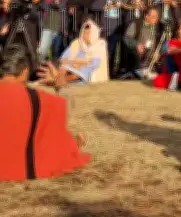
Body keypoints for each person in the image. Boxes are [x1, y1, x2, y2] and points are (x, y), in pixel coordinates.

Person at [0, 45, 91, 181]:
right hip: (24, 168)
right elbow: (63, 113)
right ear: (25, 71)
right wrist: (59, 84)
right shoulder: (40, 99)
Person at [58, 20, 109, 84]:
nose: (85, 35)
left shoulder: (100, 45)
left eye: (88, 33)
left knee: (83, 70)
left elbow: (94, 63)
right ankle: (58, 80)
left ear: (94, 33)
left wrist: (78, 62)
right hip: (72, 68)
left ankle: (59, 80)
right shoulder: (77, 43)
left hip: (87, 72)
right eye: (84, 32)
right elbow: (63, 59)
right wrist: (77, 62)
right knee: (63, 66)